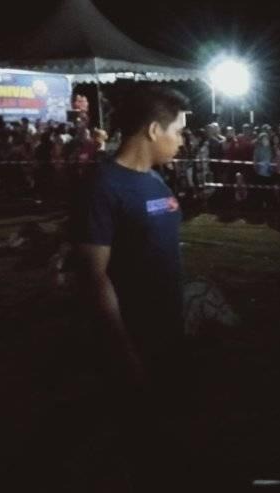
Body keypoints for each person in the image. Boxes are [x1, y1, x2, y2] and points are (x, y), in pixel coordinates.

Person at [71, 87, 192, 487]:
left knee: (168, 436)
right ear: (154, 130)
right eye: (178, 131)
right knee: (131, 443)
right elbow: (93, 276)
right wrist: (123, 350)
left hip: (167, 334)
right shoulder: (102, 187)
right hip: (131, 340)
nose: (182, 140)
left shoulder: (156, 180)